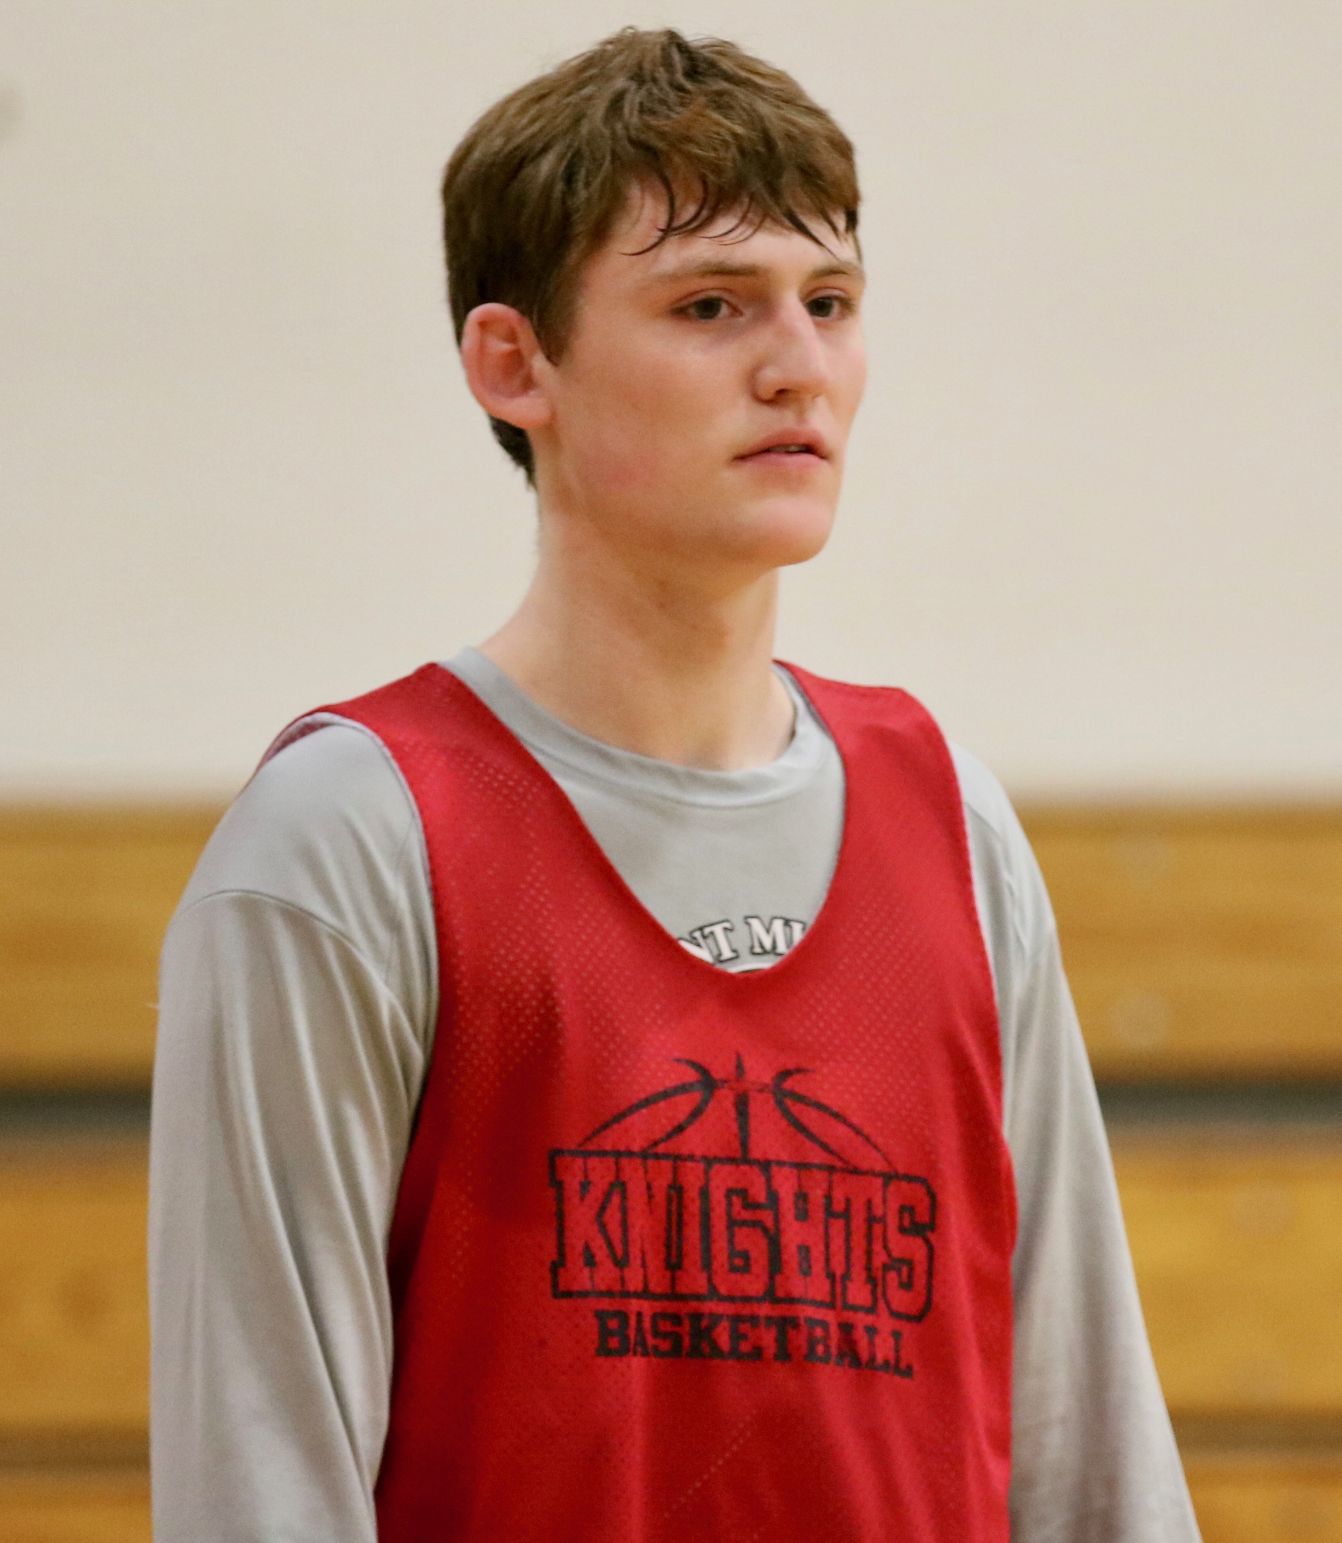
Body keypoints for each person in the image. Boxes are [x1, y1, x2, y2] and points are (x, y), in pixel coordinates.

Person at [149, 26, 1202, 1541]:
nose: (798, 365)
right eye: (712, 306)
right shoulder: (350, 837)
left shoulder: (950, 822)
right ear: (514, 364)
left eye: (829, 303)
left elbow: (1088, 1449)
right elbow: (261, 1488)